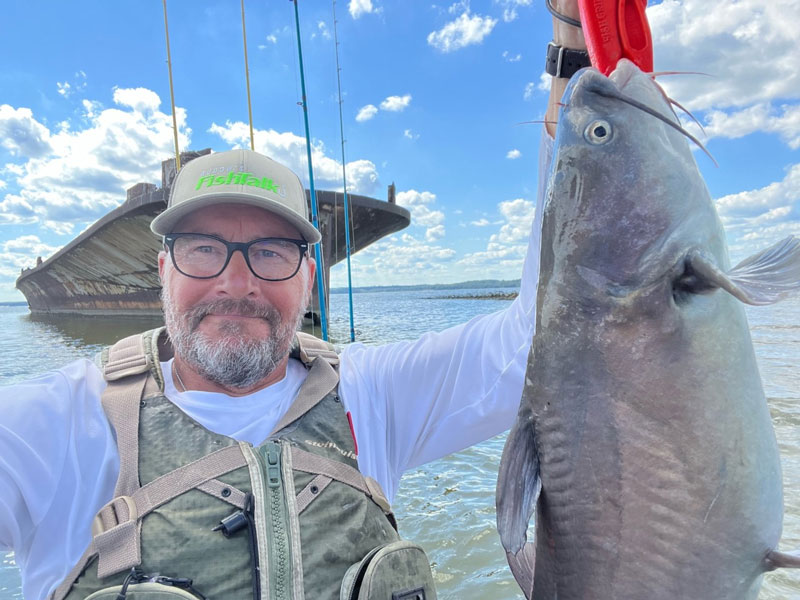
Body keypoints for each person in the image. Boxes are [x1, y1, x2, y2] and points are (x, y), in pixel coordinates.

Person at [1, 2, 587, 598]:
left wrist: (573, 60)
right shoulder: (54, 428)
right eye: (203, 250)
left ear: (308, 277)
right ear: (163, 271)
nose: (237, 282)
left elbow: (537, 342)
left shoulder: (369, 395)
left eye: (271, 251)